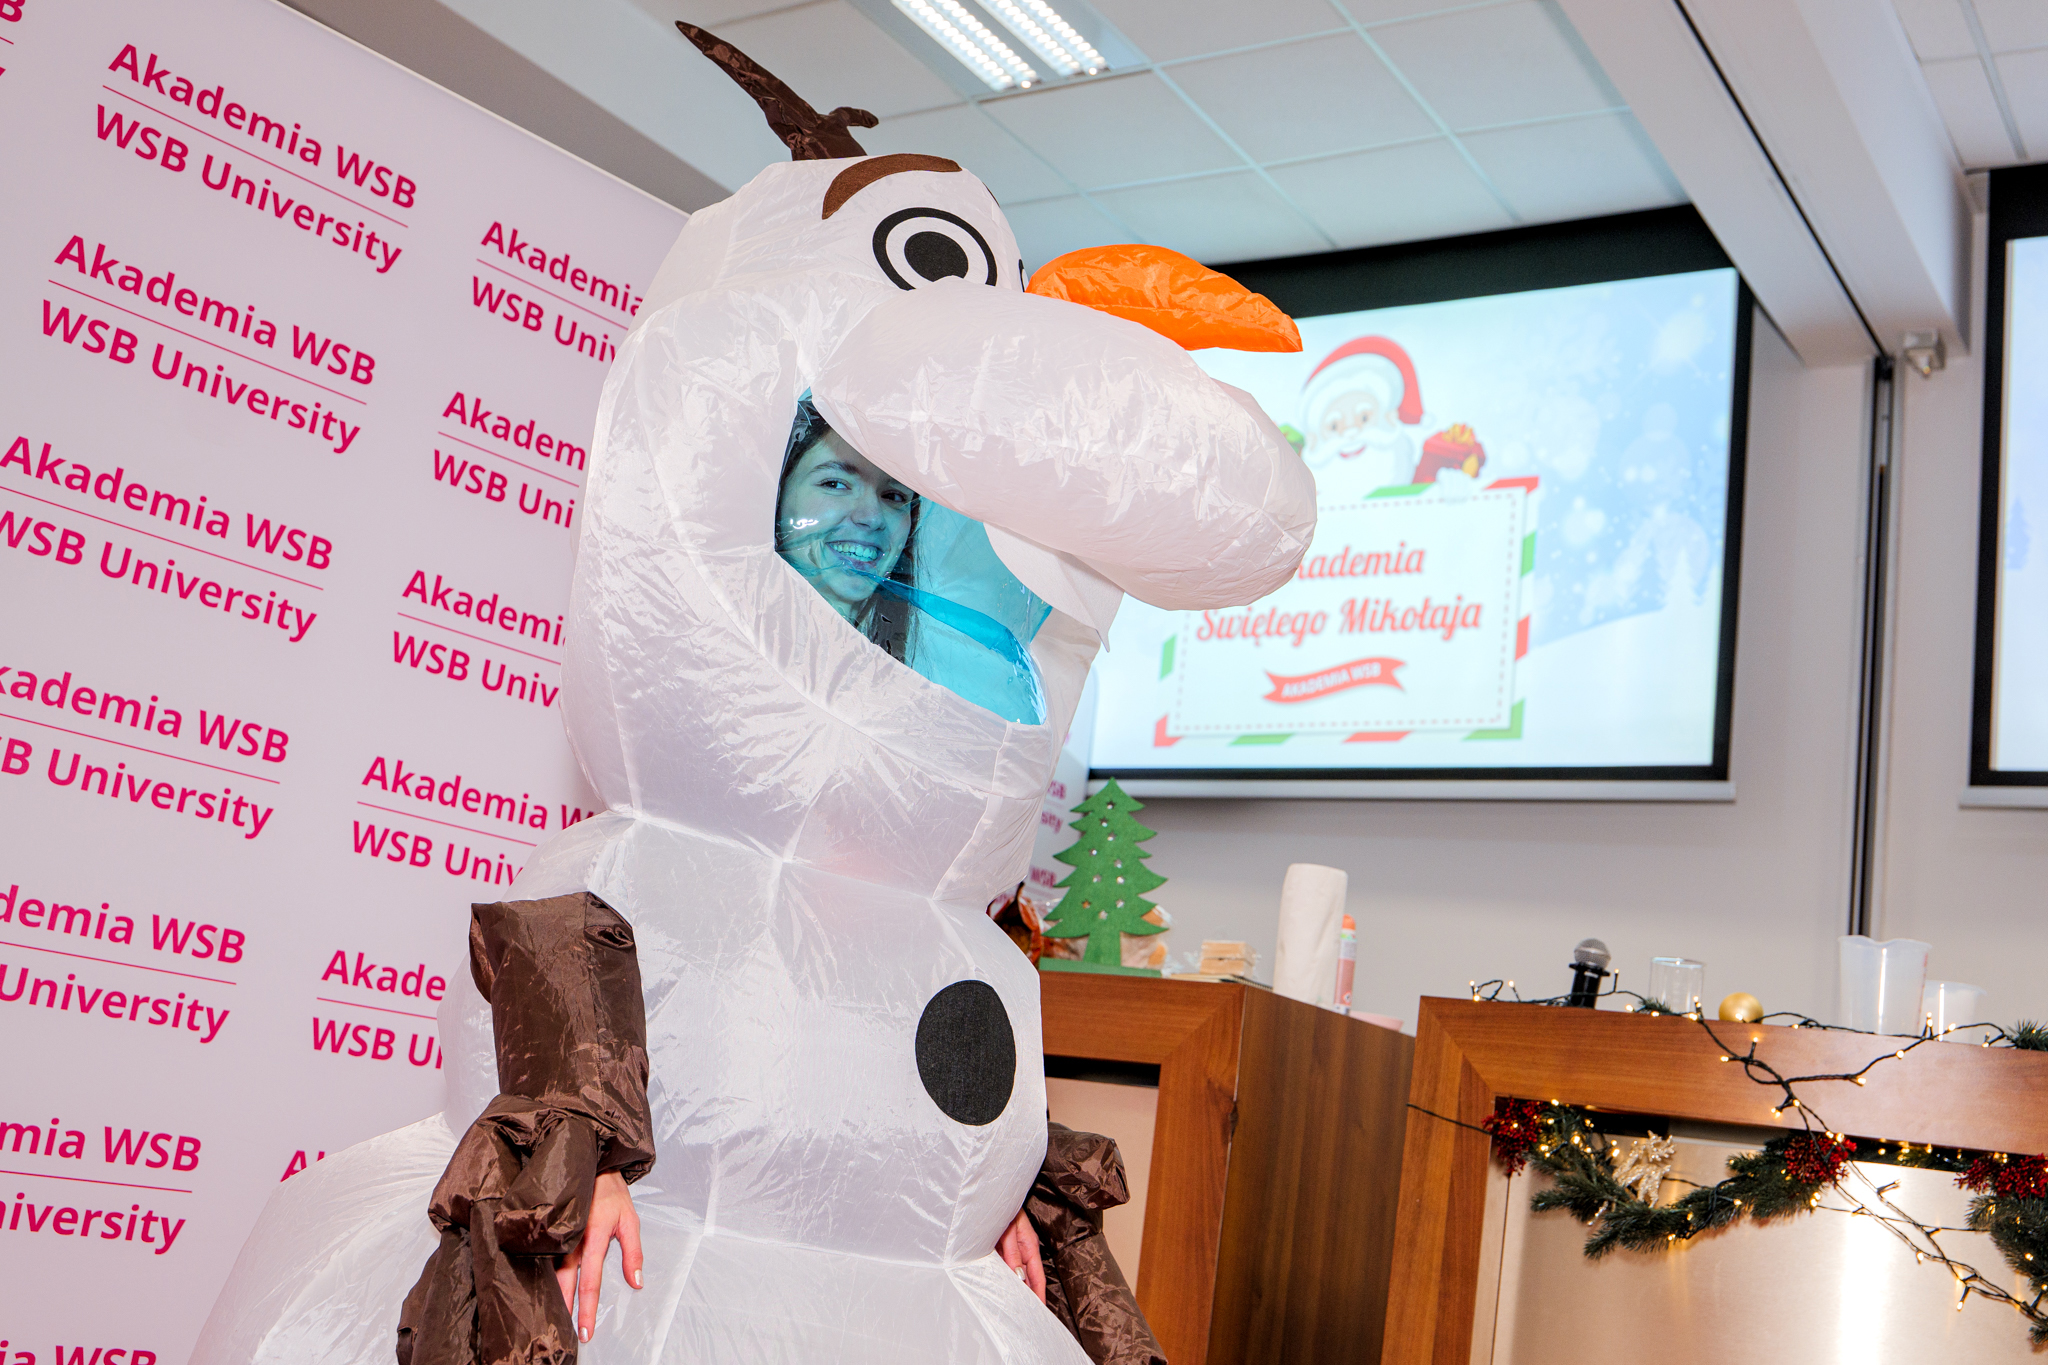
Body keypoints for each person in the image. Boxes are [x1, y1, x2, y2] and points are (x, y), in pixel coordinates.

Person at [774, 398, 918, 660]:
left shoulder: (896, 675)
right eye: (835, 484)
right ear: (778, 493)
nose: (872, 517)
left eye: (894, 496)